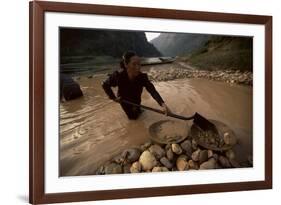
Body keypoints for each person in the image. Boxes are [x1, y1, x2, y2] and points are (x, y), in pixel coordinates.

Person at [102, 51, 171, 120]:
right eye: (134, 64)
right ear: (126, 65)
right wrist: (113, 97)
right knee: (133, 118)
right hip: (124, 100)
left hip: (136, 99)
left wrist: (163, 104)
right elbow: (104, 84)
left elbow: (152, 90)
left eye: (139, 64)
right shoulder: (118, 76)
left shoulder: (142, 77)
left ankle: (139, 110)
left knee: (138, 111)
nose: (138, 67)